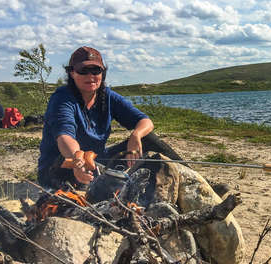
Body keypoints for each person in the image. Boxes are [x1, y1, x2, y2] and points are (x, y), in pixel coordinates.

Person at [38, 46, 180, 190]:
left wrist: (136, 135)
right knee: (79, 170)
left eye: (96, 70)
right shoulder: (62, 98)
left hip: (97, 160)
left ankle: (190, 177)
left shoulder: (107, 96)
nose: (90, 76)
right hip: (62, 166)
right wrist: (77, 159)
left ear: (102, 73)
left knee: (148, 139)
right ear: (72, 73)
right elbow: (64, 137)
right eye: (83, 70)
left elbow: (145, 121)